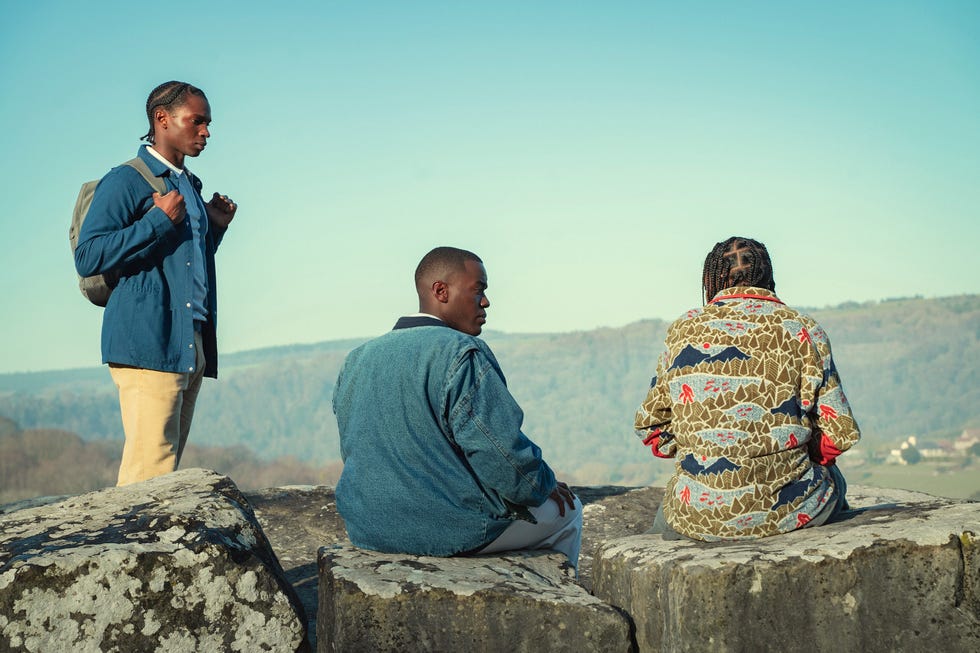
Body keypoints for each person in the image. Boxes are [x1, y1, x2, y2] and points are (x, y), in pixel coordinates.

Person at [332, 246, 582, 569]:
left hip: (368, 529)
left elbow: (356, 450)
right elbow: (504, 459)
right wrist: (545, 484)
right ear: (441, 291)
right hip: (448, 531)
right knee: (569, 509)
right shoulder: (462, 353)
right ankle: (559, 605)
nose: (486, 301)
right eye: (478, 289)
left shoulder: (356, 359)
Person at [635, 237, 860, 541]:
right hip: (791, 508)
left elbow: (651, 427)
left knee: (669, 514)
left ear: (711, 280)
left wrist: (704, 448)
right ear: (767, 275)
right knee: (834, 481)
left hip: (698, 513)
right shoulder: (802, 329)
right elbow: (840, 433)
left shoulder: (683, 329)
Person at [74, 81, 237, 486]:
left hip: (189, 340)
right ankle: (127, 548)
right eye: (196, 121)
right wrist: (156, 220)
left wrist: (214, 229)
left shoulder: (189, 187)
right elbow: (88, 256)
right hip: (148, 341)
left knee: (164, 471)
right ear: (162, 119)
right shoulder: (125, 180)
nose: (206, 131)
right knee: (148, 474)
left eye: (208, 123)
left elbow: (181, 265)